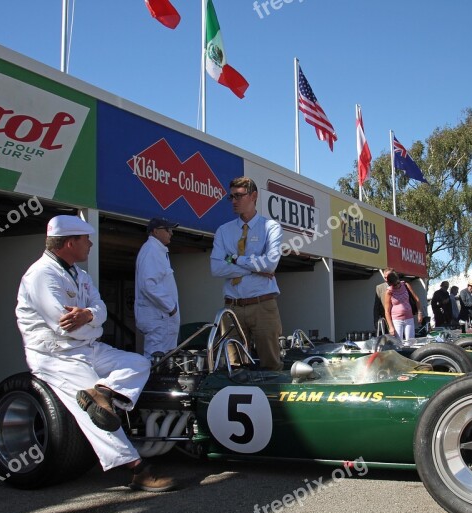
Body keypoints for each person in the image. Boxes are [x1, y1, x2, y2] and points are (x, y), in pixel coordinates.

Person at [16, 215, 176, 492]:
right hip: (56, 356)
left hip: (88, 348)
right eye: (85, 239)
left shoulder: (81, 274)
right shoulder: (40, 275)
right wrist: (92, 321)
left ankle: (104, 392)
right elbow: (65, 327)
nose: (91, 243)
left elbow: (100, 309)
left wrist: (88, 315)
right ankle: (137, 469)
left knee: (138, 362)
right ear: (69, 242)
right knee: (94, 413)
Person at [210, 177, 284, 370]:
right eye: (231, 197)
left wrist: (234, 259)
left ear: (253, 196)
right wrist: (255, 266)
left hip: (263, 305)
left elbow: (270, 264)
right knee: (235, 368)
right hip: (232, 308)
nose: (234, 201)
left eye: (239, 196)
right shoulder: (223, 231)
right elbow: (216, 268)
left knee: (271, 365)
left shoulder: (271, 227)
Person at [135, 217, 180, 360]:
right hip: (159, 317)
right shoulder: (151, 251)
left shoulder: (157, 250)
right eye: (168, 230)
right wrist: (170, 307)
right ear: (155, 231)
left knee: (164, 359)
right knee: (155, 359)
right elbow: (148, 285)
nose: (171, 233)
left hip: (161, 317)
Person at [384, 271, 421, 341]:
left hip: (409, 317)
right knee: (398, 343)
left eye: (398, 283)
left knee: (411, 341)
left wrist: (419, 313)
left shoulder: (406, 285)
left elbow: (417, 299)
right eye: (394, 285)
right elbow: (387, 311)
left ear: (398, 279)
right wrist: (391, 327)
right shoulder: (389, 291)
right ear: (390, 284)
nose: (397, 286)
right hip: (397, 319)